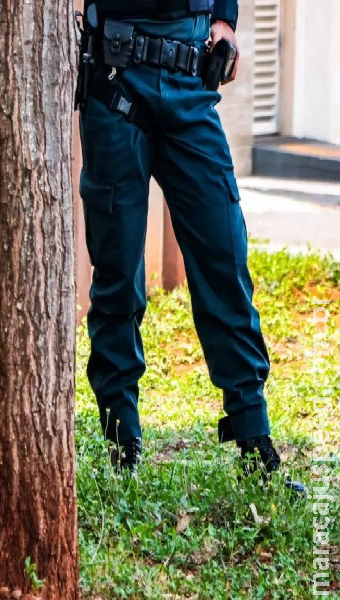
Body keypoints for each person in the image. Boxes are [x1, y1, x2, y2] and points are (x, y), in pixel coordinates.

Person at [78, 0, 303, 491]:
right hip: (116, 74)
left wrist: (225, 16)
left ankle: (253, 439)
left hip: (189, 77)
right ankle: (123, 446)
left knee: (224, 259)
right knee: (118, 274)